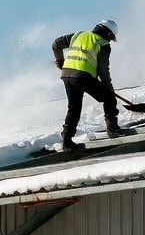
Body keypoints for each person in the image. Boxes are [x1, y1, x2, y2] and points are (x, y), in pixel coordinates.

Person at [52, 19, 123, 151]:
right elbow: (103, 70)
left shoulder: (78, 35)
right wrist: (110, 89)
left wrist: (60, 61)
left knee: (74, 108)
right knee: (109, 98)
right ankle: (113, 129)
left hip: (67, 75)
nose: (110, 41)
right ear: (108, 34)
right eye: (111, 38)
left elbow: (56, 44)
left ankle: (67, 142)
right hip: (82, 76)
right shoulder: (103, 44)